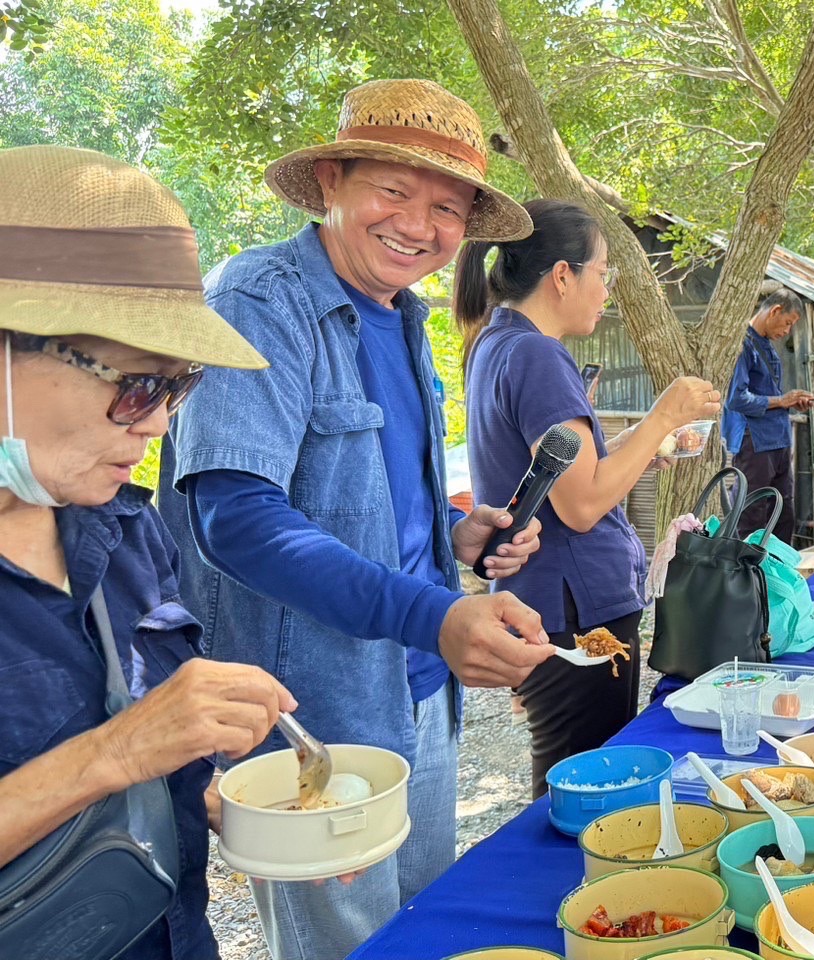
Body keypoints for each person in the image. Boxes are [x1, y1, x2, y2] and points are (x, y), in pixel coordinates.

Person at [158, 79, 557, 960]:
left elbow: (364, 498)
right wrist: (434, 613)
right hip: (311, 717)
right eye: (394, 190)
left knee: (422, 928)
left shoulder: (402, 315)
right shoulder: (258, 299)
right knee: (348, 948)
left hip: (418, 689)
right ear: (332, 181)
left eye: (446, 207)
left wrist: (457, 536)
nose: (418, 224)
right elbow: (237, 520)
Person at [0, 145, 294, 960]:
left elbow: (166, 759)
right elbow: (127, 746)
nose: (158, 423)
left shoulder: (126, 527)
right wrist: (118, 750)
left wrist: (260, 812)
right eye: (135, 384)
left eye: (179, 387)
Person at [454, 199, 721, 798]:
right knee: (587, 783)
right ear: (563, 275)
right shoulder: (537, 354)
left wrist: (638, 446)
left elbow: (569, 475)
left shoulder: (498, 344)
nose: (607, 291)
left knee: (568, 768)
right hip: (577, 615)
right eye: (604, 273)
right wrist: (661, 416)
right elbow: (582, 505)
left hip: (545, 601)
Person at [724, 287, 813, 540]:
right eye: (787, 323)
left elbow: (770, 395)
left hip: (779, 441)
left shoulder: (765, 344)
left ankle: (779, 575)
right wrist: (781, 400)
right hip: (755, 444)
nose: (787, 332)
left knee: (783, 515)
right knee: (751, 516)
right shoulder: (743, 344)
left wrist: (790, 402)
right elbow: (736, 399)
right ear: (774, 311)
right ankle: (749, 577)